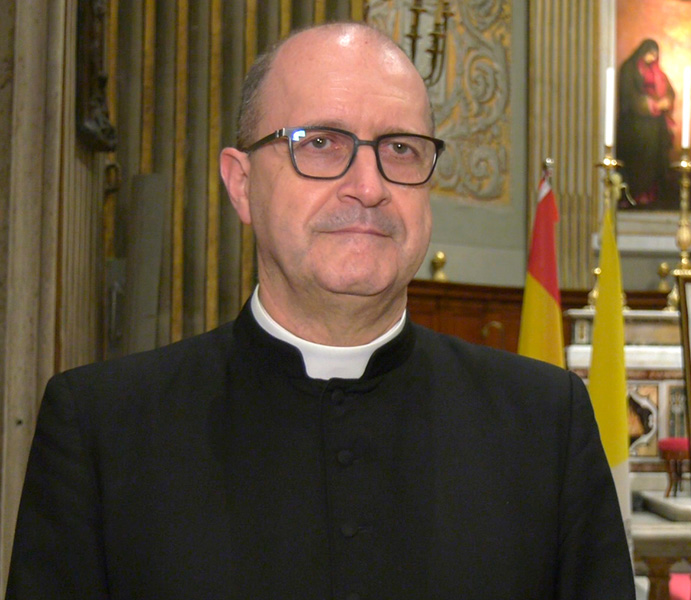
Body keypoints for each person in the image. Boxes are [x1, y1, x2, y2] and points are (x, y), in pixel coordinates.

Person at [7, 22, 635, 600]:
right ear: (242, 184)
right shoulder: (101, 429)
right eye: (322, 142)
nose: (368, 185)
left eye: (401, 149)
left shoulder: (546, 424)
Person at [616, 38, 676, 208]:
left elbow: (670, 91)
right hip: (636, 126)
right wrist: (651, 105)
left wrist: (667, 101)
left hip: (655, 127)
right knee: (639, 161)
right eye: (650, 53)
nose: (652, 57)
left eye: (655, 54)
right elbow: (628, 96)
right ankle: (636, 194)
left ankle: (651, 193)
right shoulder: (629, 69)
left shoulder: (657, 72)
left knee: (654, 160)